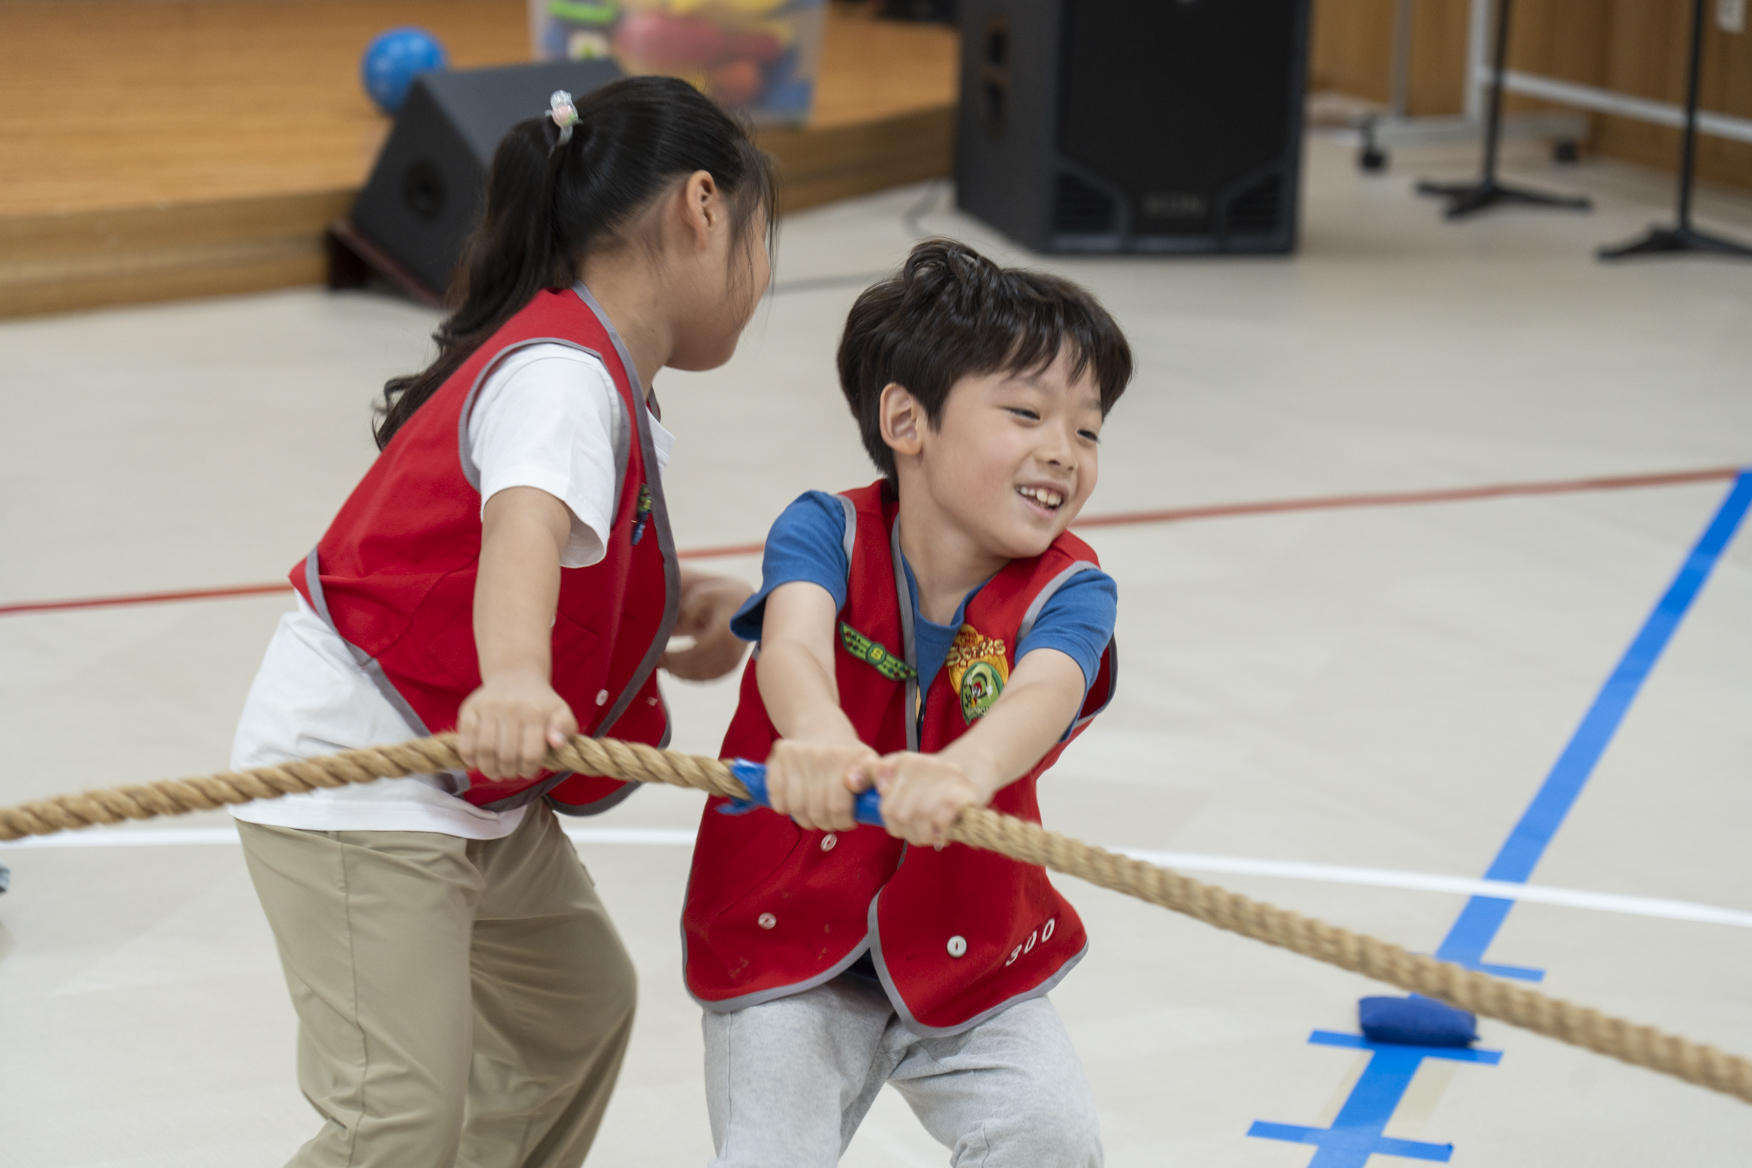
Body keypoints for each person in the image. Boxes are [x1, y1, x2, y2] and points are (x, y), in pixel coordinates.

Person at [228, 77, 774, 1168]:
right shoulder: (564, 374)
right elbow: (524, 529)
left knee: (571, 1016)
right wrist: (517, 678)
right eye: (764, 241)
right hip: (361, 776)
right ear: (702, 207)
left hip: (461, 781)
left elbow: (555, 547)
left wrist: (674, 601)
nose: (763, 277)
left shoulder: (594, 368)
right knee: (397, 1117)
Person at [682, 240, 1133, 1167]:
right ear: (905, 420)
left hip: (970, 944)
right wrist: (821, 738)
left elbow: (1044, 691)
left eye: (1087, 430)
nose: (1064, 452)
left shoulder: (1072, 590)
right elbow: (793, 645)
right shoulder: (825, 530)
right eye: (1026, 412)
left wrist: (964, 771)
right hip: (786, 930)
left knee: (1051, 1137)